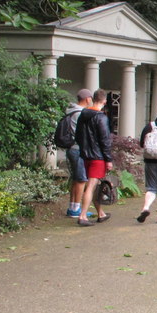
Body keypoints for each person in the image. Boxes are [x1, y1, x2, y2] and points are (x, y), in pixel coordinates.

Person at [74, 89, 114, 226]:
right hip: (98, 157)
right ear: (104, 101)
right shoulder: (101, 117)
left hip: (86, 155)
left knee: (94, 186)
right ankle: (83, 216)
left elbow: (78, 136)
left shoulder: (83, 115)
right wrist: (108, 159)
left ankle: (100, 213)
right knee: (91, 187)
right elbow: (105, 140)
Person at [65, 89, 93, 217]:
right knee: (82, 179)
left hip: (71, 148)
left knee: (76, 178)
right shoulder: (81, 113)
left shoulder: (70, 111)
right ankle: (77, 208)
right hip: (78, 149)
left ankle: (72, 207)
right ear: (87, 99)